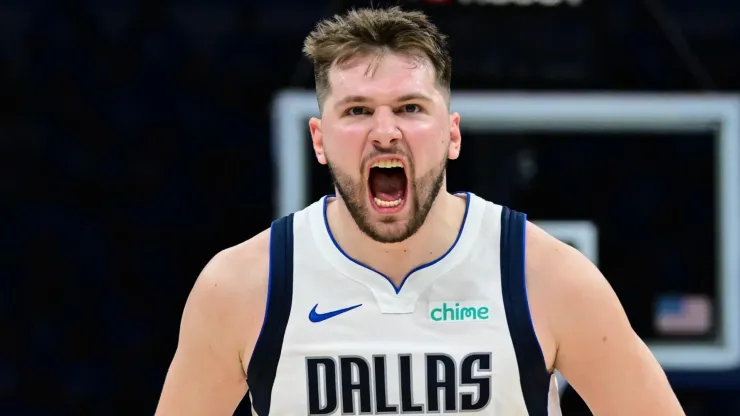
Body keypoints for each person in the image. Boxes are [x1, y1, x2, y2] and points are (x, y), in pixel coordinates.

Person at [155, 7, 685, 416]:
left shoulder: (546, 276)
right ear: (319, 139)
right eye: (357, 111)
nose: (385, 130)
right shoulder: (241, 286)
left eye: (410, 108)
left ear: (451, 133)